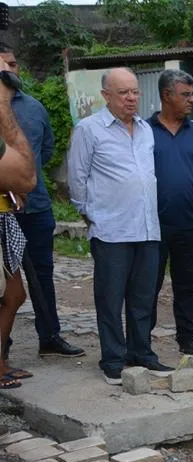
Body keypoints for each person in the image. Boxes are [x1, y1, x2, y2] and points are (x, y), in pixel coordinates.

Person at [67, 67, 172, 385]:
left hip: (147, 228)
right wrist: (93, 215)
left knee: (143, 298)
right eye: (123, 92)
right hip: (111, 230)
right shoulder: (89, 129)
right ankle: (113, 359)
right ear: (106, 96)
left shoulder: (145, 129)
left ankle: (141, 353)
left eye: (135, 91)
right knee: (110, 299)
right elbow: (77, 180)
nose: (131, 98)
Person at [1, 43, 85, 361]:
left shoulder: (35, 107)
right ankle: (2, 348)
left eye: (14, 63)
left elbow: (45, 151)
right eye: (4, 64)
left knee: (42, 274)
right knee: (5, 285)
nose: (11, 69)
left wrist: (26, 177)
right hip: (1, 211)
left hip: (35, 207)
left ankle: (49, 336)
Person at [149, 70, 193, 355]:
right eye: (185, 95)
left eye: (192, 94)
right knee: (147, 287)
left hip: (192, 226)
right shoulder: (144, 132)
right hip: (152, 227)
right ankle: (141, 343)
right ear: (167, 96)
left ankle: (187, 341)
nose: (192, 100)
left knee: (186, 288)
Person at [0, 56, 33, 392]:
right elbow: (26, 174)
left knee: (15, 294)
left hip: (4, 217)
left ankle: (2, 360)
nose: (10, 71)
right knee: (10, 294)